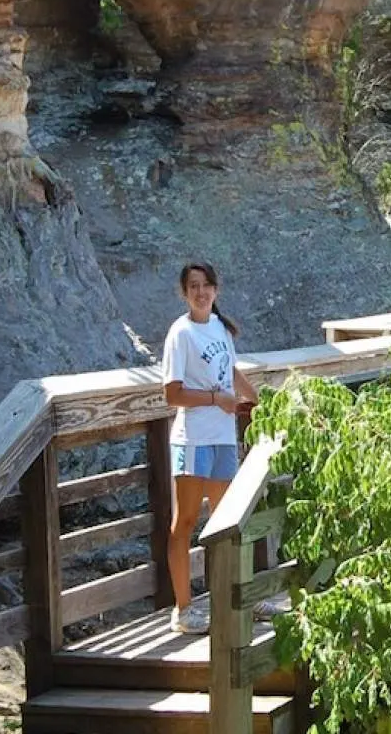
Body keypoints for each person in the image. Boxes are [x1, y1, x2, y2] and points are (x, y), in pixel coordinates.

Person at [160, 261, 258, 634]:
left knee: (225, 524)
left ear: (216, 290)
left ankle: (234, 600)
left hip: (222, 438)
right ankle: (183, 610)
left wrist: (260, 401)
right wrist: (217, 399)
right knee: (185, 522)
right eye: (193, 286)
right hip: (193, 439)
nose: (201, 292)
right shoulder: (180, 334)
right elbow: (172, 393)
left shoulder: (220, 327)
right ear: (185, 293)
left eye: (206, 286)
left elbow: (232, 372)